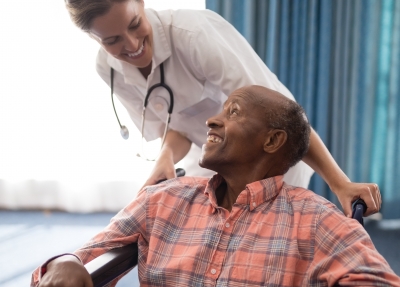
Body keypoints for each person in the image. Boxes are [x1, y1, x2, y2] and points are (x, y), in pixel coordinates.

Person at [27, 86, 400, 287]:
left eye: (233, 112)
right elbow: (81, 262)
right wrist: (66, 263)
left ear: (272, 140)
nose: (211, 120)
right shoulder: (164, 198)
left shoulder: (317, 219)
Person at [64, 0, 381, 218]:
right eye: (112, 40)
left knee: (257, 252)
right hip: (212, 162)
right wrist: (165, 157)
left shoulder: (194, 35)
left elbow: (283, 118)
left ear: (142, 2)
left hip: (266, 158)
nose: (132, 45)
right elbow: (178, 124)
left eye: (135, 24)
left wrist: (340, 183)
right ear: (92, 37)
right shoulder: (108, 69)